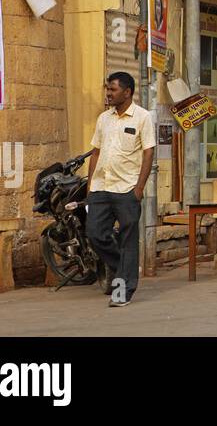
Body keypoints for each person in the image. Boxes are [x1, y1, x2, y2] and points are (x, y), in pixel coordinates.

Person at [86, 72, 155, 307]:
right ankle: (122, 266)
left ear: (127, 92)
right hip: (101, 187)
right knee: (94, 233)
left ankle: (123, 291)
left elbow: (148, 152)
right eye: (107, 89)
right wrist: (90, 185)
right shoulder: (103, 119)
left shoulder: (143, 118)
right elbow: (96, 151)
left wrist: (139, 188)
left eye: (113, 89)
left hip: (127, 188)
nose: (108, 93)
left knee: (128, 239)